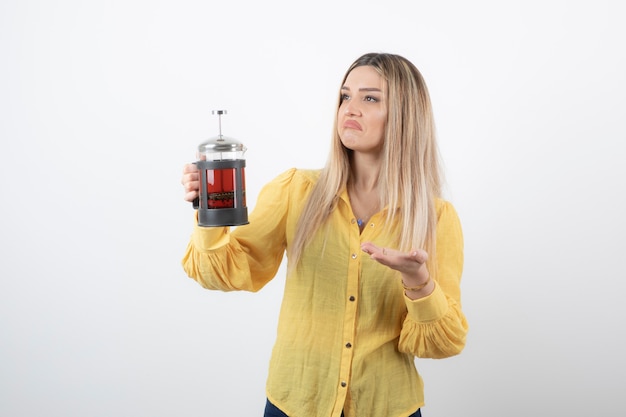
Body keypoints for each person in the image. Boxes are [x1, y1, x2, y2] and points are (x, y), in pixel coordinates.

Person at [181, 52, 468, 417]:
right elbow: (225, 272)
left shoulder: (436, 218)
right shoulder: (296, 190)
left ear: (405, 116)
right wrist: (209, 209)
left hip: (386, 406)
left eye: (370, 98)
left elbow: (443, 342)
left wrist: (419, 281)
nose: (350, 109)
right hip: (295, 404)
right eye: (345, 96)